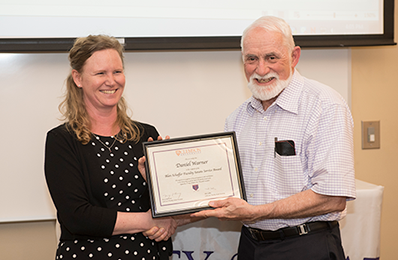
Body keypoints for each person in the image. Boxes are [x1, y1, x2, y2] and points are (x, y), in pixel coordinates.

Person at [192, 16, 356, 260]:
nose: (261, 69)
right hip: (250, 246)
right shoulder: (237, 119)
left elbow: (332, 197)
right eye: (251, 59)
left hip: (306, 246)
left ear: (294, 56)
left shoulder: (324, 105)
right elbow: (222, 187)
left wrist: (257, 212)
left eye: (271, 57)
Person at [45, 35, 180, 260]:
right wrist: (148, 220)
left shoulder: (145, 135)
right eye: (100, 73)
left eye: (117, 72)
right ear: (78, 78)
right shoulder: (62, 141)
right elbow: (77, 216)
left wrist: (158, 182)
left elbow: (170, 204)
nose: (111, 81)